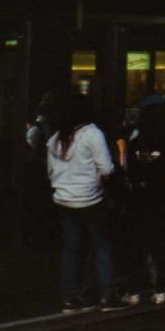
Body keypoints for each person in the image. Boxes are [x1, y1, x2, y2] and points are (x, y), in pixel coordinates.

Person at [47, 93, 132, 313]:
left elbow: (50, 171)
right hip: (90, 198)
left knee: (71, 249)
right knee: (102, 246)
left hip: (63, 199)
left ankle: (70, 298)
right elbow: (106, 168)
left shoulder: (55, 138)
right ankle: (106, 296)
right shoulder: (92, 133)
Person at [120, 103, 165, 305]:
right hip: (162, 200)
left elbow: (128, 169)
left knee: (136, 247)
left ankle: (133, 292)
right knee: (160, 246)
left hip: (138, 199)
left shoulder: (134, 144)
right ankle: (161, 290)